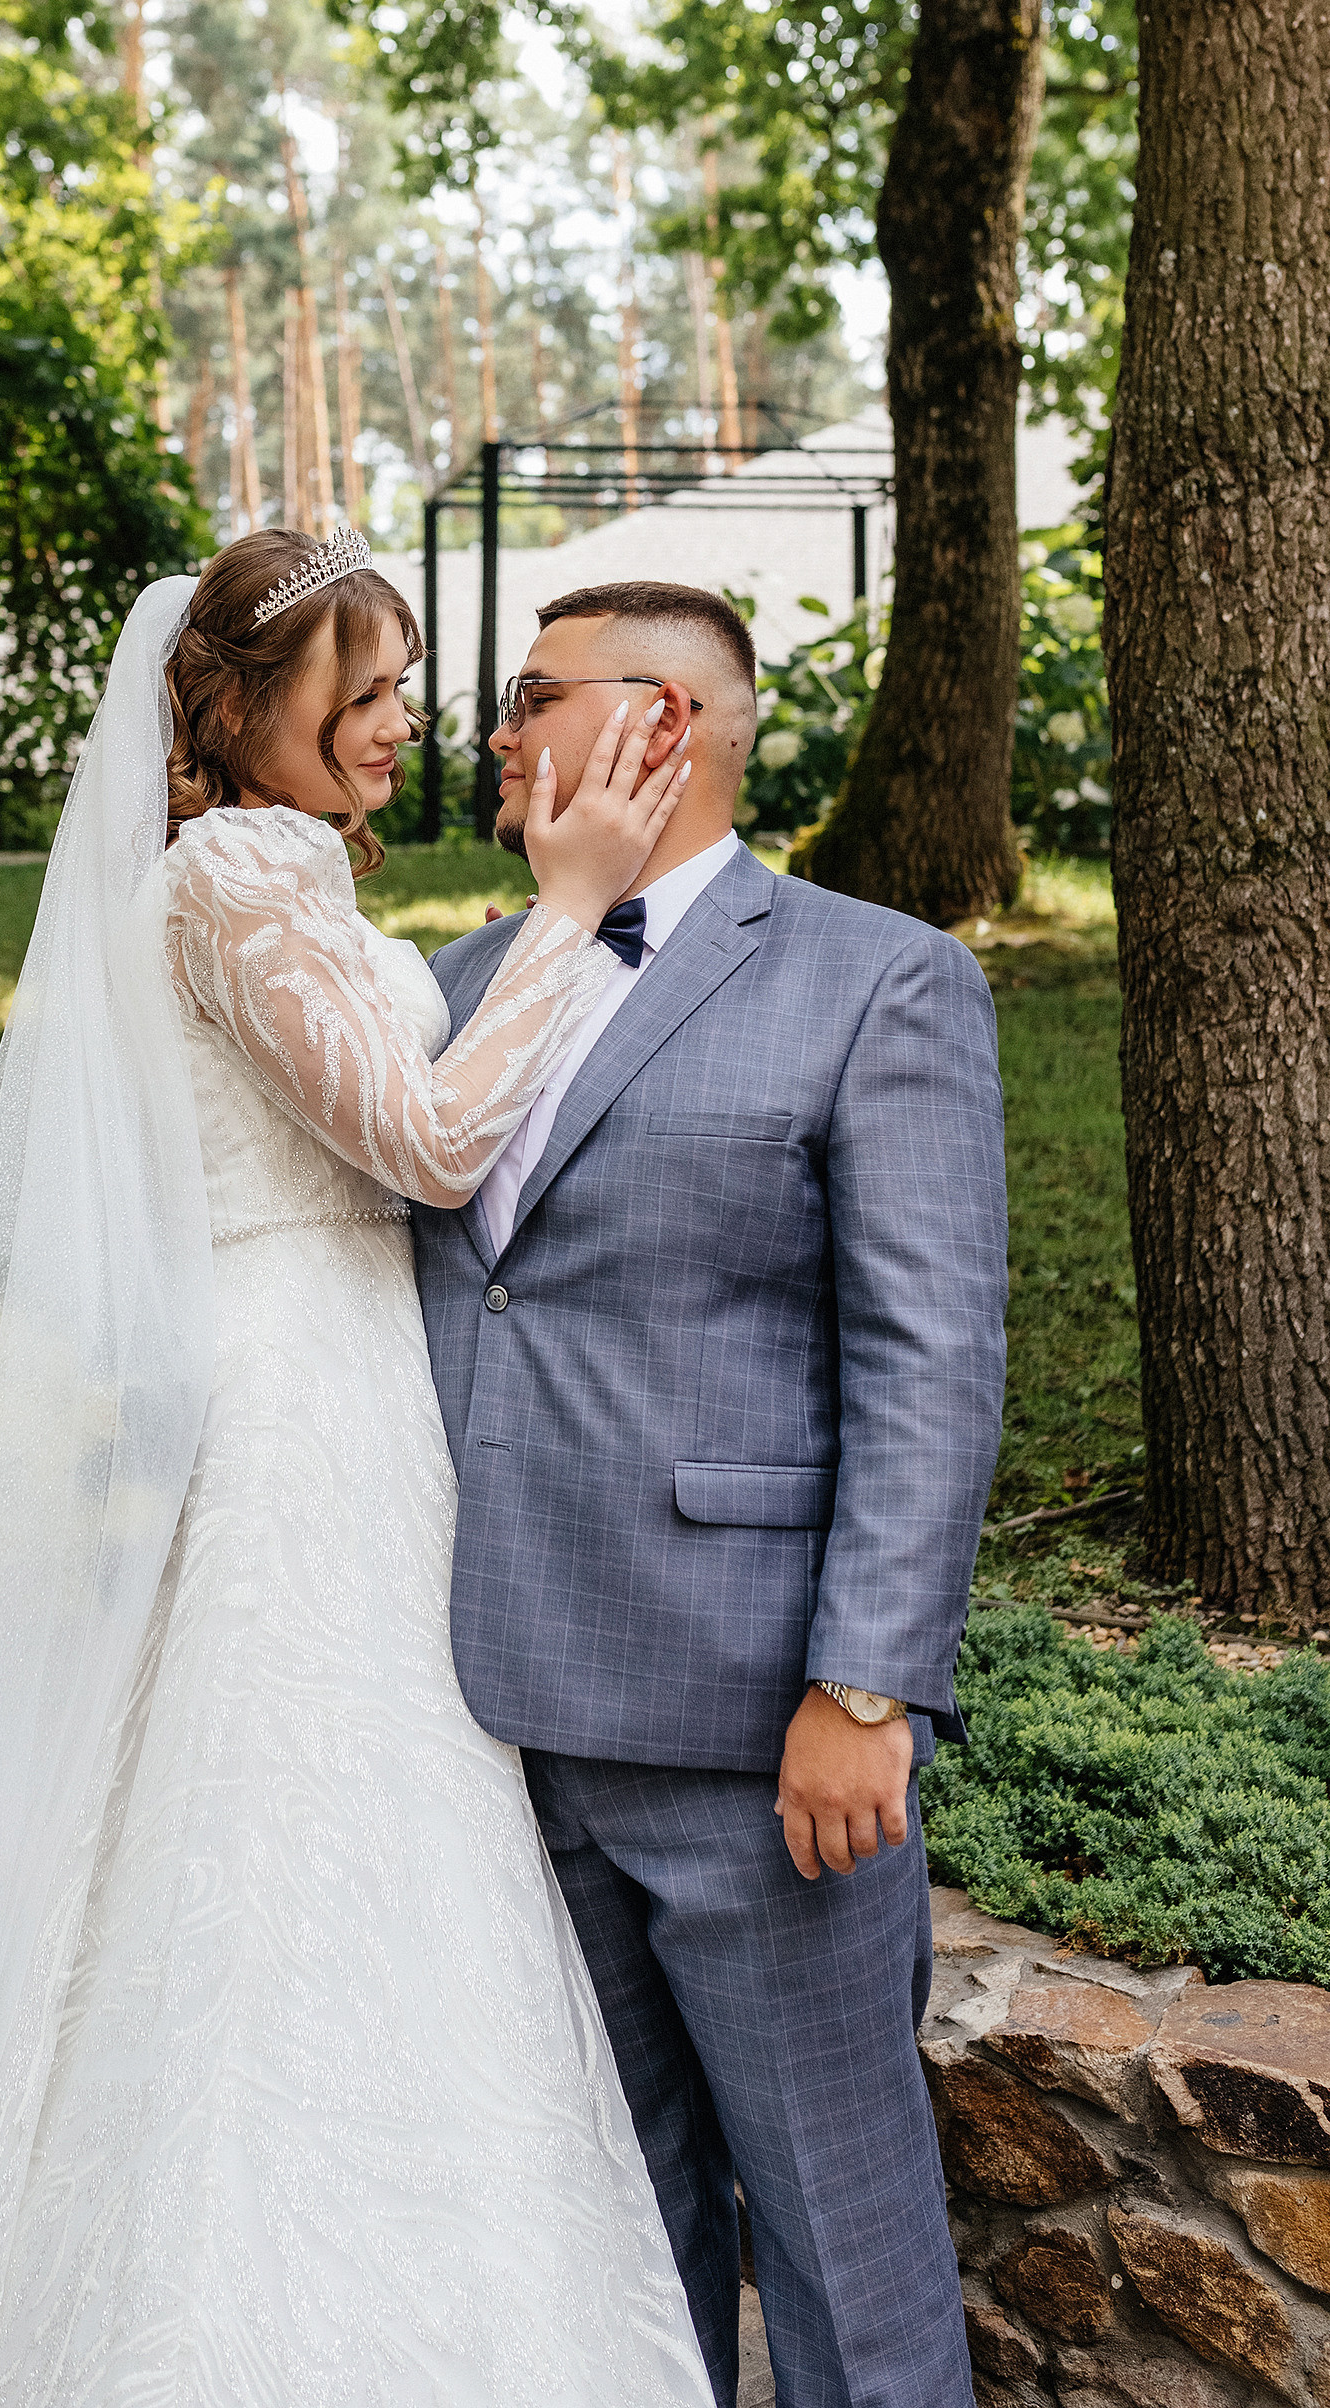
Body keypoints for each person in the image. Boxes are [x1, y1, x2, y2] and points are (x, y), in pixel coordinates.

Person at [0, 529, 719, 2408]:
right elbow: (430, 1141)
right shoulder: (226, 877)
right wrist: (575, 904)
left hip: (358, 1388)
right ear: (244, 709)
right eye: (360, 694)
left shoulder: (279, 872)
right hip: (289, 1402)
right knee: (278, 1814)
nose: (400, 728)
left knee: (351, 1825)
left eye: (397, 692)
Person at [411, 579, 1007, 2408]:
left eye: (531, 694)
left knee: (841, 2225)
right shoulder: (450, 986)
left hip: (754, 1731)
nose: (497, 734)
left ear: (657, 726)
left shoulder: (877, 977)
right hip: (491, 1713)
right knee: (608, 2217)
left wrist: (865, 1687)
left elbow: (930, 1357)